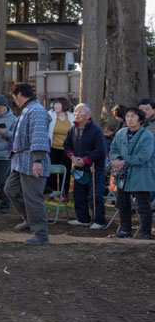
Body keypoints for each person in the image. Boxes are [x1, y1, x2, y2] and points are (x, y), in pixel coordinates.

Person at [4, 82, 52, 245]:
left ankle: (41, 234)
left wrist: (37, 160)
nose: (14, 101)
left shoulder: (36, 111)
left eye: (14, 97)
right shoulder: (28, 110)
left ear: (19, 95)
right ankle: (28, 219)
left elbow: (39, 136)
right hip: (20, 161)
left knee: (33, 197)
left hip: (32, 160)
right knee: (10, 189)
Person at [108, 106, 154, 240]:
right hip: (123, 175)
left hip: (141, 175)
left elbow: (143, 156)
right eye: (127, 116)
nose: (129, 119)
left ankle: (145, 233)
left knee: (143, 205)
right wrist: (116, 159)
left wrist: (123, 162)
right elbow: (113, 148)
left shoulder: (147, 136)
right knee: (122, 203)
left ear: (140, 119)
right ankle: (125, 230)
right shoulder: (121, 133)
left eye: (133, 116)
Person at [64, 102, 108, 229]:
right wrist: (72, 157)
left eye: (80, 111)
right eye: (75, 111)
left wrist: (85, 159)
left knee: (95, 194)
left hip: (94, 167)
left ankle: (98, 220)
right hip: (78, 167)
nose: (76, 114)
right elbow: (67, 146)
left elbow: (100, 150)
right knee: (78, 193)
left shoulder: (96, 130)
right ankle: (82, 218)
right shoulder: (72, 129)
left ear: (88, 115)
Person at [47, 97, 73, 199]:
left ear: (64, 105)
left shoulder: (71, 117)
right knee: (52, 171)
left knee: (66, 171)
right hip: (53, 147)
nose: (56, 106)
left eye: (58, 104)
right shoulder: (50, 115)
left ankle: (64, 193)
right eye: (55, 104)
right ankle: (51, 192)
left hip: (66, 149)